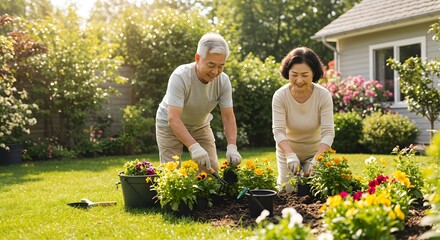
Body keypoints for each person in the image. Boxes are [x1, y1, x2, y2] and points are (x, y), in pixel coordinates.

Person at [155, 33, 242, 173]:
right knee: (170, 174)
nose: (215, 72)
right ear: (197, 58)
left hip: (200, 126)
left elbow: (228, 116)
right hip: (169, 125)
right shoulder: (180, 76)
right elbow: (173, 118)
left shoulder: (223, 81)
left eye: (221, 66)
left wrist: (232, 146)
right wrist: (193, 147)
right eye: (211, 65)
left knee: (210, 171)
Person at [272, 47, 335, 192]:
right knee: (288, 191)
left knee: (316, 190)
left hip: (315, 152)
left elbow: (328, 132)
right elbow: (278, 131)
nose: (299, 80)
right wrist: (290, 154)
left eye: (305, 75)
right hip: (288, 152)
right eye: (294, 74)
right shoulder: (280, 96)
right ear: (287, 73)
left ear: (314, 74)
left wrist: (318, 159)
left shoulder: (323, 96)